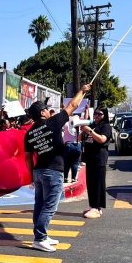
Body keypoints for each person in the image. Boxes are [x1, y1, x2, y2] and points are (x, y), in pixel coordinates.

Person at [24, 84, 91, 252]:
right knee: (50, 207)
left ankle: (42, 236)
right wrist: (82, 90)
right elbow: (72, 106)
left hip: (39, 171)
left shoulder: (29, 133)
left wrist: (32, 175)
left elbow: (27, 157)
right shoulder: (52, 123)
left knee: (39, 205)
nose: (49, 111)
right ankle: (39, 238)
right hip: (53, 171)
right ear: (42, 113)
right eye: (47, 109)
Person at [81, 107, 113, 218]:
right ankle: (93, 206)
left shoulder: (106, 127)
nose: (96, 116)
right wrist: (83, 131)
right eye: (95, 114)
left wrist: (90, 131)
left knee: (98, 183)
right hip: (90, 158)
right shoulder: (94, 125)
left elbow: (102, 139)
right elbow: (84, 139)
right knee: (91, 183)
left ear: (104, 115)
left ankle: (97, 207)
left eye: (99, 114)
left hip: (99, 158)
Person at [63, 114, 82, 183]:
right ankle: (73, 178)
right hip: (77, 145)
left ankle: (65, 178)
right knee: (75, 163)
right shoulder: (79, 127)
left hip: (68, 145)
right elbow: (79, 138)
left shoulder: (66, 124)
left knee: (66, 163)